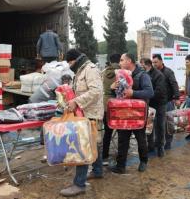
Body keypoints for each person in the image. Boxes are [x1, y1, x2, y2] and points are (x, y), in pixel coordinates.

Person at [59, 49, 104, 197]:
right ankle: (97, 171)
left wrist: (76, 101)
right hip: (85, 113)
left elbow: (96, 91)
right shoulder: (80, 70)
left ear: (75, 59)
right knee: (94, 144)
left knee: (83, 147)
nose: (70, 65)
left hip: (91, 114)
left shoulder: (90, 70)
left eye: (70, 62)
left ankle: (79, 184)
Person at [110, 53, 154, 174]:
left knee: (140, 139)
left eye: (121, 60)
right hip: (124, 113)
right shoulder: (121, 75)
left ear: (129, 61)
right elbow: (119, 95)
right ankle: (120, 166)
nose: (119, 63)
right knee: (122, 139)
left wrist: (133, 93)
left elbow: (150, 92)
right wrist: (113, 88)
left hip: (138, 114)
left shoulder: (142, 75)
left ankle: (143, 161)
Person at [152, 54, 180, 149]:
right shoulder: (153, 72)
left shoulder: (168, 72)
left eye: (156, 62)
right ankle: (157, 141)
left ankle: (168, 142)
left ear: (161, 61)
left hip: (167, 102)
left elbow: (174, 84)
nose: (154, 64)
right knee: (156, 124)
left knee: (168, 123)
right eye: (153, 62)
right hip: (156, 103)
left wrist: (176, 98)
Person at [141, 58, 168, 157]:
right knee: (149, 125)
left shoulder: (158, 75)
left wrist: (147, 94)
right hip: (149, 103)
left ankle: (160, 147)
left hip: (160, 104)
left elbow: (159, 90)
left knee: (160, 126)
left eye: (142, 64)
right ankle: (150, 145)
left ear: (147, 65)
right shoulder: (144, 74)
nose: (141, 67)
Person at [102, 53, 121, 165]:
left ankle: (104, 155)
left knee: (107, 132)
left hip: (106, 104)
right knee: (121, 131)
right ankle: (120, 154)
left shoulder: (104, 71)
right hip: (116, 104)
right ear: (119, 61)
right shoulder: (120, 72)